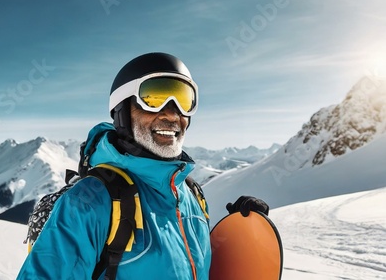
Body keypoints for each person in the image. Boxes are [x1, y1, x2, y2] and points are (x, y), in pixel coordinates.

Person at [17, 52, 269, 279]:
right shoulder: (88, 201)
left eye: (183, 100)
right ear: (122, 111)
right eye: (154, 98)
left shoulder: (191, 193)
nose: (172, 114)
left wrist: (242, 235)